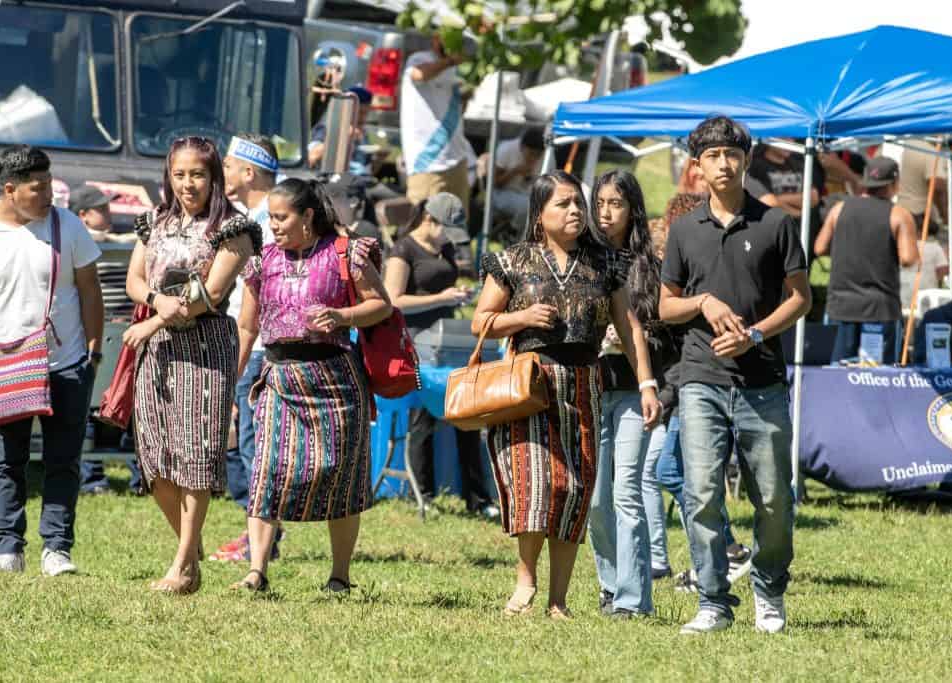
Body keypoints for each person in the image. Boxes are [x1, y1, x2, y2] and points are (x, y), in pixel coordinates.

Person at [475, 171, 661, 619]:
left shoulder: (605, 264)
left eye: (578, 202)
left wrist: (646, 384)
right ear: (540, 215)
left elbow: (628, 328)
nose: (576, 210)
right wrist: (519, 320)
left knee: (574, 491)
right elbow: (479, 320)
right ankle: (526, 581)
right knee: (535, 485)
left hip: (583, 386)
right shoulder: (514, 261)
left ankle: (559, 599)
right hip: (529, 386)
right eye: (563, 204)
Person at [659, 116, 811, 634]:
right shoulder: (683, 229)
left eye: (732, 153)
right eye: (713, 155)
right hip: (700, 378)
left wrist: (756, 333)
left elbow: (801, 298)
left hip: (763, 382)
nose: (723, 163)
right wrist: (701, 300)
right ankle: (714, 601)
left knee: (774, 498)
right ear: (696, 166)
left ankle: (769, 589)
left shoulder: (776, 224)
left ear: (746, 160)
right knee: (701, 493)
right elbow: (664, 307)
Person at [232, 178, 391, 593]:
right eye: (270, 217)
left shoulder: (347, 254)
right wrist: (234, 378)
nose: (274, 225)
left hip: (336, 380)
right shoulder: (261, 261)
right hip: (280, 377)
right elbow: (247, 327)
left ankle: (340, 576)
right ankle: (257, 571)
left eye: (281, 217)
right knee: (266, 470)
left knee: (342, 477)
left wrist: (342, 317)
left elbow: (381, 304)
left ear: (307, 216)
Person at [124, 136, 260, 594]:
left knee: (197, 454)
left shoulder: (232, 227)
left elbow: (211, 294)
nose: (188, 183)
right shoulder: (153, 221)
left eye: (197, 174)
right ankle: (191, 542)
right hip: (158, 350)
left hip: (205, 347)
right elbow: (134, 279)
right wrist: (156, 301)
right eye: (180, 174)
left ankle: (182, 566)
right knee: (155, 458)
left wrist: (153, 321)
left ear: (214, 177)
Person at [0, 145, 104, 576]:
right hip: (2, 363)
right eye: (38, 187)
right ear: (9, 190)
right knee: (7, 461)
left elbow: (89, 289)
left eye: (49, 184)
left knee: (63, 459)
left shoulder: (68, 226)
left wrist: (93, 351)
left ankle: (57, 549)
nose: (49, 195)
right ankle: (8, 548)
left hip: (65, 363)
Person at [649, 192, 751, 595]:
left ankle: (726, 551)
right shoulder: (685, 272)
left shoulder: (699, 277)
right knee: (678, 473)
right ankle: (720, 553)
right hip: (684, 384)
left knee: (676, 472)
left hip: (695, 383)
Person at [586, 170, 674, 619]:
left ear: (632, 209)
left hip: (632, 393)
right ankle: (610, 584)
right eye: (599, 203)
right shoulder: (582, 263)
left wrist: (632, 343)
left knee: (627, 495)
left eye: (615, 203)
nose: (605, 213)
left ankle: (634, 599)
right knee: (596, 501)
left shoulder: (649, 267)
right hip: (589, 388)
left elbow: (664, 338)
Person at [383, 193, 497, 517]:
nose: (450, 239)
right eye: (447, 230)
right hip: (417, 342)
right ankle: (425, 493)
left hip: (449, 339)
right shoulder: (403, 249)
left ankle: (478, 498)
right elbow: (393, 301)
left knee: (467, 414)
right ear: (430, 220)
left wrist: (457, 297)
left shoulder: (444, 249)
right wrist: (439, 297)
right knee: (424, 418)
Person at [211, 133, 280, 563]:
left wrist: (238, 361)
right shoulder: (257, 214)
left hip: (258, 347)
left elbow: (256, 302)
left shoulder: (269, 220)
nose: (223, 175)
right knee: (251, 444)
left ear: (249, 172)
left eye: (229, 166)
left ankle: (262, 541)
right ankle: (259, 535)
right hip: (253, 343)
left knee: (257, 446)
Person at [69, 184, 141, 496]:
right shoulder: (77, 242)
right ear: (82, 215)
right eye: (101, 209)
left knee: (136, 406)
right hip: (96, 335)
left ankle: (142, 476)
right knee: (86, 407)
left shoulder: (115, 240)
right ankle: (92, 479)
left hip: (126, 334)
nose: (108, 213)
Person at [815, 157, 918, 364]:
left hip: (841, 306)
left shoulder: (839, 209)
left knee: (837, 375)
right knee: (878, 378)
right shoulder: (899, 214)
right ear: (893, 184)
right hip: (880, 310)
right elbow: (908, 259)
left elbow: (819, 248)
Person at [400, 34, 471, 209]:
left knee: (458, 228)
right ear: (436, 39)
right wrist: (449, 61)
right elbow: (418, 74)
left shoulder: (456, 70)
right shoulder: (420, 59)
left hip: (457, 159)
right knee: (424, 226)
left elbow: (456, 108)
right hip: (428, 162)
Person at [745, 142, 824, 219]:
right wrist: (798, 211)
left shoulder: (797, 162)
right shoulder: (755, 166)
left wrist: (778, 200)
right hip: (776, 223)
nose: (790, 142)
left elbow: (813, 196)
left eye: (791, 138)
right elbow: (765, 201)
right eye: (784, 137)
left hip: (805, 223)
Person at [490, 129, 545, 233]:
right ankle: (511, 231)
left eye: (538, 155)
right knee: (530, 207)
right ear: (521, 147)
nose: (534, 158)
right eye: (531, 154)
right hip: (501, 193)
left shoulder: (546, 157)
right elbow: (493, 184)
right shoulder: (506, 150)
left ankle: (519, 236)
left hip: (526, 195)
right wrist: (514, 172)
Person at [896, 140, 948, 233]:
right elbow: (938, 187)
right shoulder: (929, 152)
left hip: (893, 211)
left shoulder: (895, 147)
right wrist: (945, 215)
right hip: (917, 216)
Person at [900, 219, 949, 311]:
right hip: (925, 290)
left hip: (904, 288)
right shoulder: (936, 248)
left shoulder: (904, 245)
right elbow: (943, 270)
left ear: (917, 231)